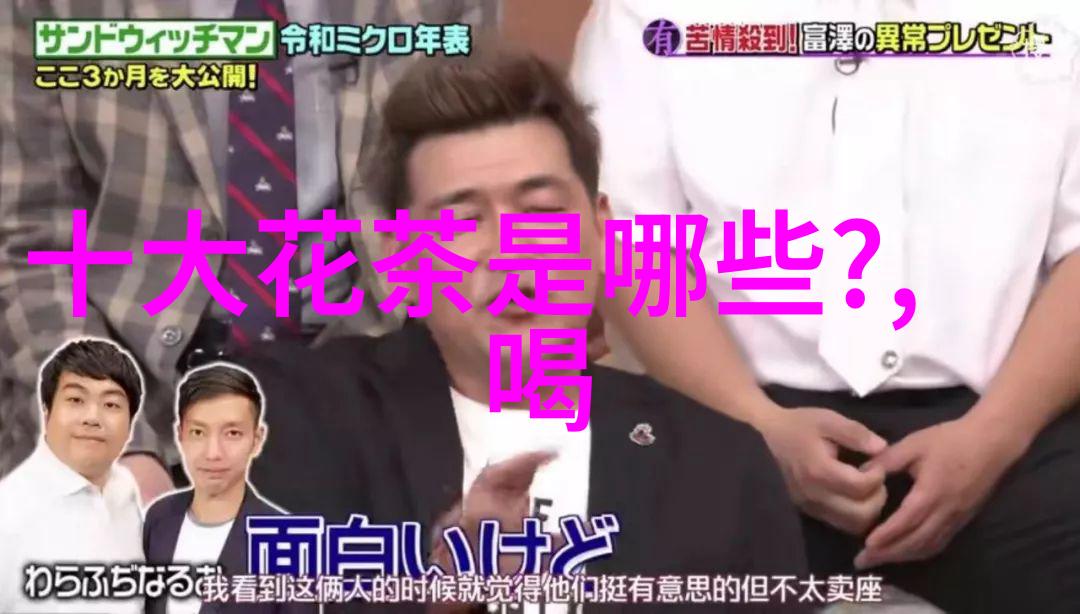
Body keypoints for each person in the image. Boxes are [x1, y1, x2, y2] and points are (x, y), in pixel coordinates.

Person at [237, 45, 809, 613]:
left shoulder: (720, 463)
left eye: (542, 212)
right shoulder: (285, 423)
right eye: (462, 220)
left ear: (599, 231)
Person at [570, 1, 1080, 612]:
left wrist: (995, 436)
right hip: (730, 411)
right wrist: (756, 426)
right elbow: (631, 241)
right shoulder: (649, 16)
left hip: (1005, 420)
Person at [0, 0, 497, 504]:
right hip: (136, 388)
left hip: (367, 382)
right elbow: (28, 245)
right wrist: (116, 449)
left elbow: (464, 218)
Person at [143, 363, 316, 613]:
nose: (213, 453)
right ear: (180, 436)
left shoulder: (286, 542)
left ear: (256, 439)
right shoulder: (159, 518)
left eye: (232, 433)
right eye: (198, 432)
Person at [0, 338, 146, 614]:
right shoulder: (8, 512)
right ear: (46, 411)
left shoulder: (125, 489)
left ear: (130, 425)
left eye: (111, 404)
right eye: (76, 400)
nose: (92, 417)